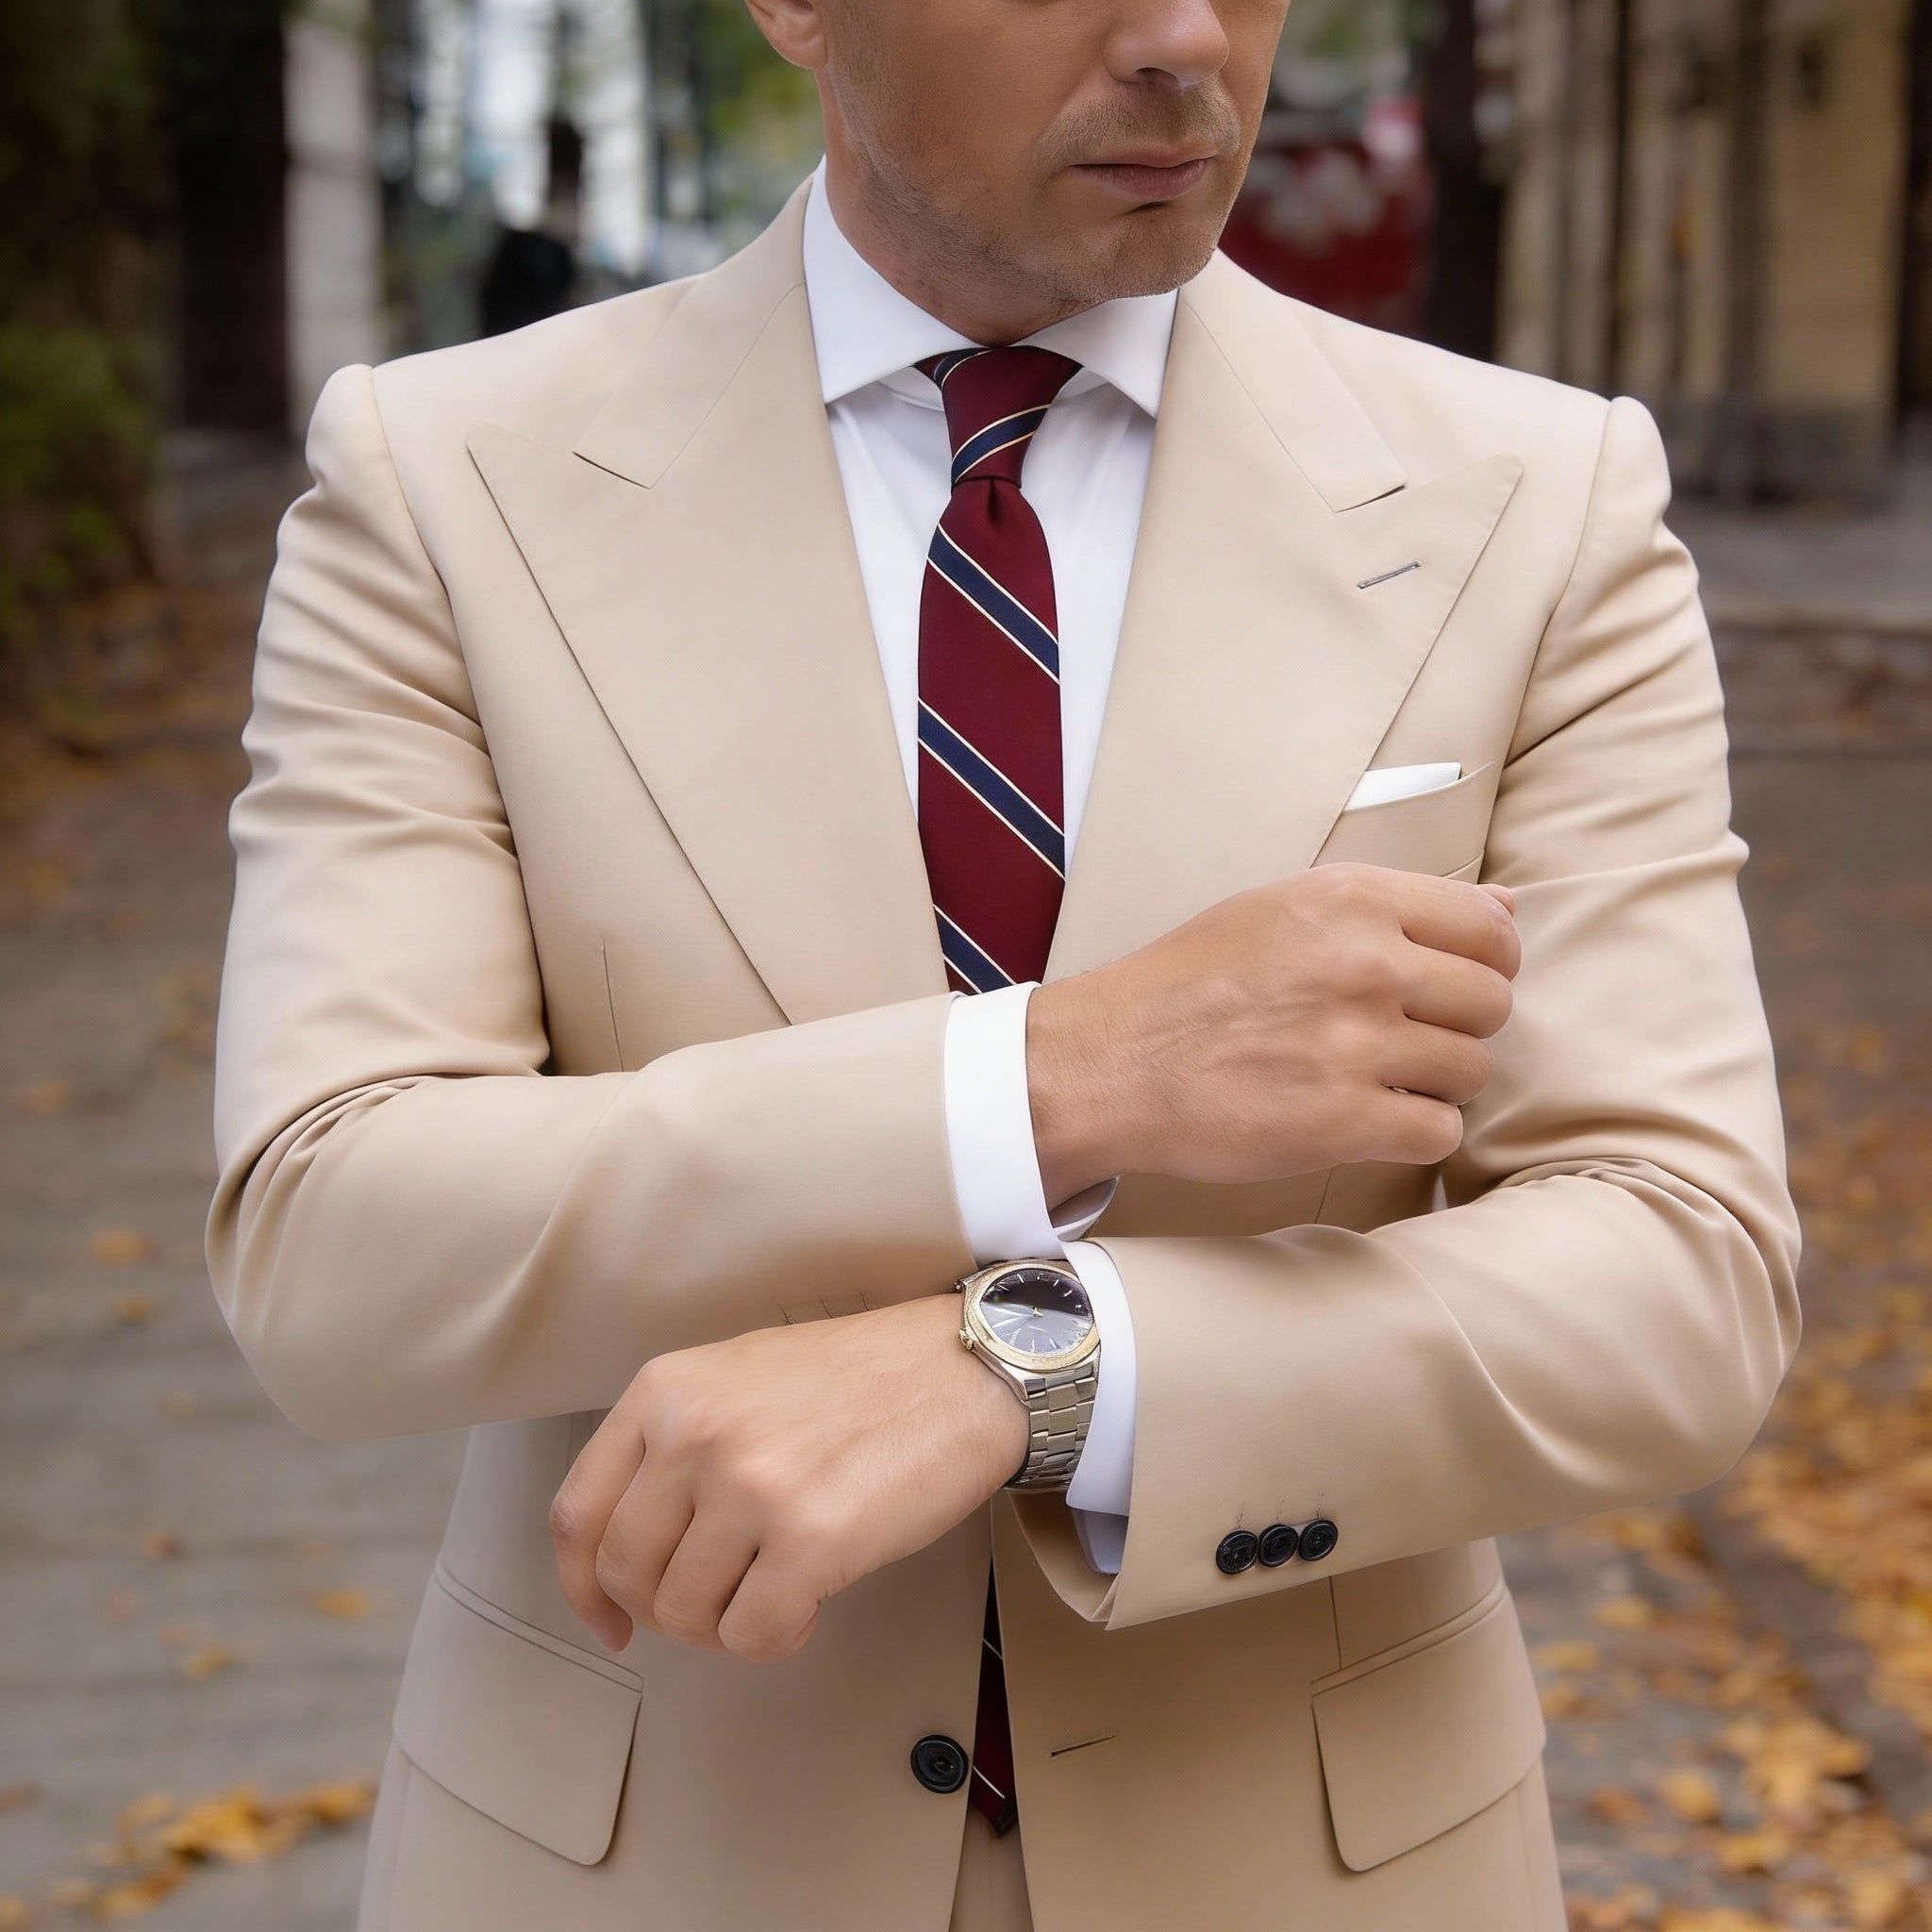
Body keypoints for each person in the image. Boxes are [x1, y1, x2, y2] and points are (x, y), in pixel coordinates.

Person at [205, 0, 1801, 1927]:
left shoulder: (1538, 504)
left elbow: (1674, 1270)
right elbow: (333, 1235)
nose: (1184, 36)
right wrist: (1050, 1078)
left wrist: (1037, 1372)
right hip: (639, 1862)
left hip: (1316, 1866)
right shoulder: (446, 484)